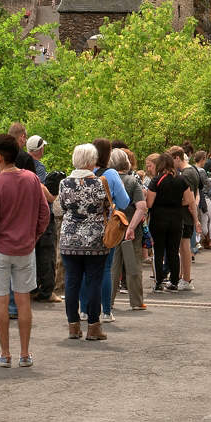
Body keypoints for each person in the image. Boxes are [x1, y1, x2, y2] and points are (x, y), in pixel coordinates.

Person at [0, 132, 50, 368]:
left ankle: (5, 354)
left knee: (1, 301)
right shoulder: (32, 179)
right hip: (25, 248)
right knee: (23, 301)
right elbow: (44, 214)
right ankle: (25, 353)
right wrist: (33, 236)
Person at [57, 144, 112, 341]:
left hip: (69, 238)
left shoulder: (64, 183)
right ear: (91, 161)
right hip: (94, 239)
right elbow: (107, 206)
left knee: (72, 281)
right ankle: (93, 327)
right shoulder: (99, 183)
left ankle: (73, 326)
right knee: (93, 282)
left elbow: (62, 206)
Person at [90, 137, 131, 322]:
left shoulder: (84, 173)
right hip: (106, 227)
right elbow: (124, 202)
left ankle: (84, 310)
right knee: (106, 269)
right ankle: (106, 311)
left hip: (83, 229)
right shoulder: (111, 174)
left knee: (85, 271)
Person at [147, 153, 199, 289]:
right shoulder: (181, 180)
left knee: (158, 251)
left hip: (158, 219)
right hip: (176, 219)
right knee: (174, 251)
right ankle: (174, 281)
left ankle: (158, 281)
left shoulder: (156, 180)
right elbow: (189, 200)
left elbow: (150, 203)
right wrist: (176, 203)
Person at [109, 148, 148, 311]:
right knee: (133, 266)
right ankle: (137, 302)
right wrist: (131, 227)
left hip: (111, 229)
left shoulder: (105, 179)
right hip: (130, 230)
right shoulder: (133, 181)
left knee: (112, 267)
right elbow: (142, 207)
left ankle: (107, 301)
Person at [27, 134, 61, 302]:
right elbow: (39, 186)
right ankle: (47, 291)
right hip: (43, 215)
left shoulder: (21, 164)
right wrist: (51, 197)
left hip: (28, 216)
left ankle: (32, 288)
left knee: (30, 254)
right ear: (39, 150)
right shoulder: (38, 167)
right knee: (47, 253)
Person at [169, 146, 202, 290]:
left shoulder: (186, 174)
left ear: (177, 158)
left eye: (172, 160)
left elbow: (188, 198)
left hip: (185, 215)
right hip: (187, 214)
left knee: (184, 247)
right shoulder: (192, 170)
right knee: (183, 247)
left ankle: (186, 278)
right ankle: (182, 276)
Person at [192, 150, 211, 248]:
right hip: (205, 197)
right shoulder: (202, 171)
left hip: (197, 197)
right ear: (202, 159)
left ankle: (202, 239)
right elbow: (207, 185)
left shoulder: (192, 168)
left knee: (204, 219)